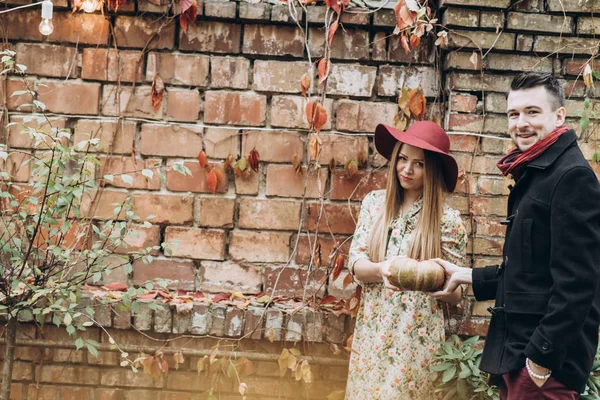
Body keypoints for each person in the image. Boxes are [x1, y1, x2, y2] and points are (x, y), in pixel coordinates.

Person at [432, 72, 600, 399]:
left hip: (545, 367)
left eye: (532, 112)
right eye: (513, 113)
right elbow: (532, 272)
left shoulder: (572, 176)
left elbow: (579, 283)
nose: (520, 123)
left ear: (559, 116)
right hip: (519, 354)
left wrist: (539, 362)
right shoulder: (538, 171)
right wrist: (466, 275)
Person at [345, 121, 469, 399]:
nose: (407, 170)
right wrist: (382, 270)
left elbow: (458, 293)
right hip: (373, 337)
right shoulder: (375, 204)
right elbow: (356, 264)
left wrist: (434, 282)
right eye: (402, 159)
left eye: (419, 163)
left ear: (433, 169)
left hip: (418, 341)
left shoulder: (448, 222)